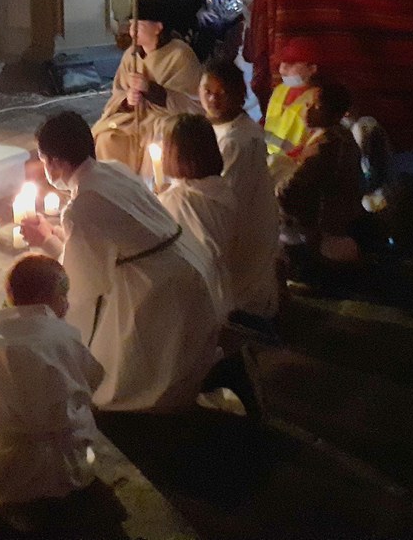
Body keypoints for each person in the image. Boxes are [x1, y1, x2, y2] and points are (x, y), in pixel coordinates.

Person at [21, 112, 222, 412]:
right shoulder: (114, 170)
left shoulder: (82, 204)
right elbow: (115, 236)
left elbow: (84, 282)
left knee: (121, 373)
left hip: (160, 286)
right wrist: (57, 233)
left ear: (56, 162)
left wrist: (46, 242)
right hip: (186, 261)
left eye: (43, 160)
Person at [0, 254, 106, 539]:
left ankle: (15, 502)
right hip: (61, 459)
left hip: (6, 460)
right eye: (63, 295)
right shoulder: (61, 337)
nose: (67, 304)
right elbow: (91, 378)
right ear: (43, 299)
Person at [199, 58, 281, 320]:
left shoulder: (238, 140)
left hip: (242, 235)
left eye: (221, 93)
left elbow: (223, 199)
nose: (212, 99)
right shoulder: (214, 128)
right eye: (207, 91)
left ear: (239, 96)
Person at [91, 0, 203, 176]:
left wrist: (150, 89)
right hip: (133, 118)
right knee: (107, 138)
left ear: (158, 27)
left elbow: (192, 102)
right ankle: (117, 189)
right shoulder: (131, 55)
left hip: (164, 119)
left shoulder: (180, 55)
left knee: (161, 142)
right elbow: (118, 92)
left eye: (139, 26)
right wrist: (127, 100)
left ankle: (152, 189)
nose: (133, 31)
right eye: (131, 25)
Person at [277, 81, 365, 269]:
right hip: (339, 224)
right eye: (307, 104)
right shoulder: (342, 137)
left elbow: (289, 191)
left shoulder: (325, 146)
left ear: (336, 114)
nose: (307, 110)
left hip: (321, 231)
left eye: (317, 107)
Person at [156, 113, 234, 314]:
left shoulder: (178, 199)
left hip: (194, 295)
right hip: (221, 287)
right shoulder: (221, 187)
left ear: (175, 154)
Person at [263, 37, 320, 160]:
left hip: (298, 162)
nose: (282, 69)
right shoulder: (279, 90)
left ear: (312, 69)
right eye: (282, 63)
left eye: (291, 64)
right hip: (269, 156)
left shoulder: (317, 99)